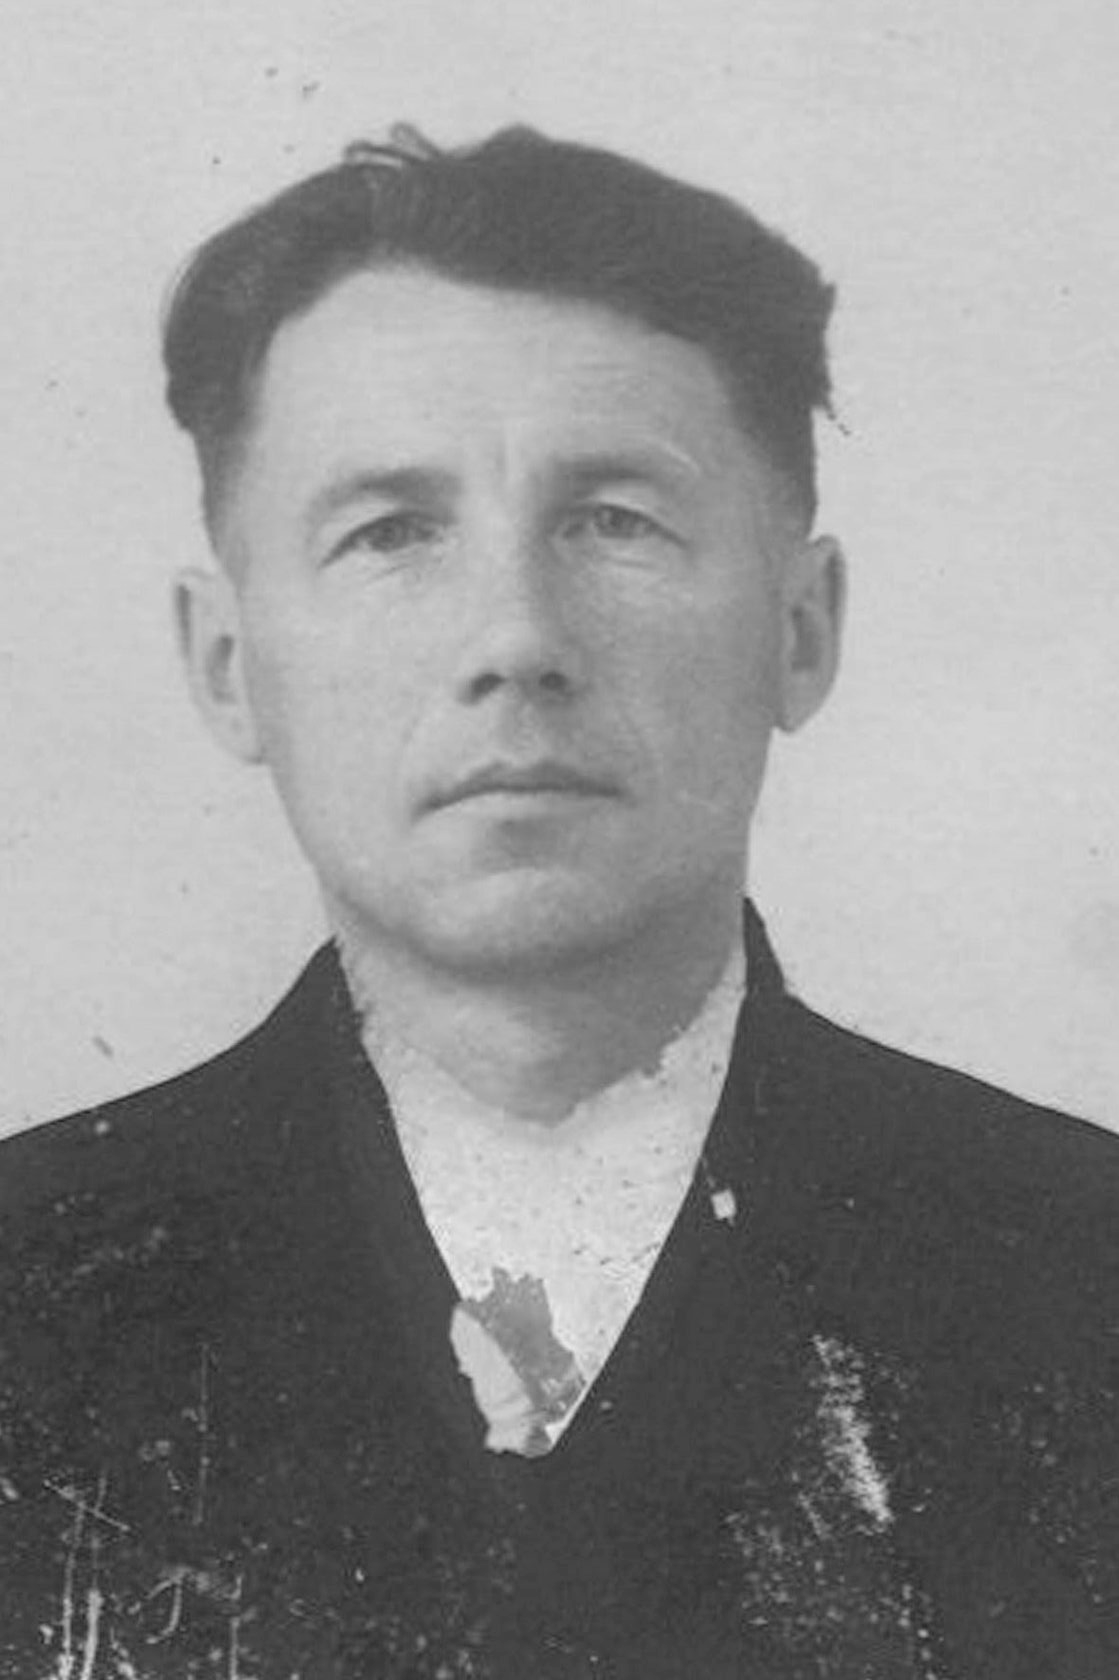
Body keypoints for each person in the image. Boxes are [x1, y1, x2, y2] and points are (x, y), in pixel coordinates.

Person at [0, 124, 1115, 1680]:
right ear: (228, 663)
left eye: (612, 520)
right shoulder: (32, 1293)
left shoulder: (1078, 1272)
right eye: (391, 532)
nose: (515, 639)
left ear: (799, 630)